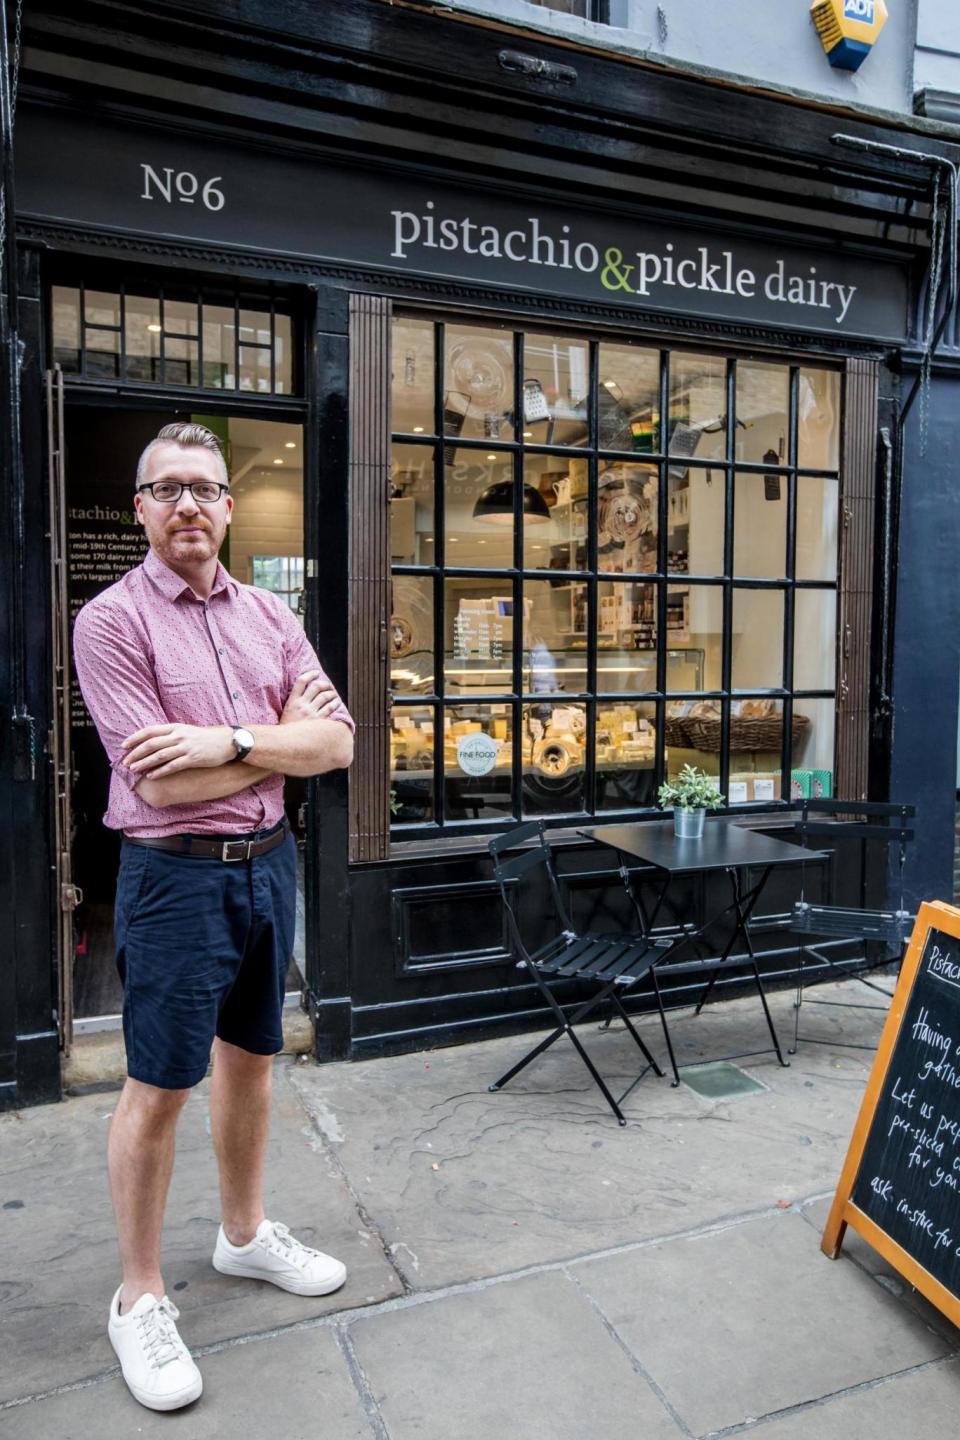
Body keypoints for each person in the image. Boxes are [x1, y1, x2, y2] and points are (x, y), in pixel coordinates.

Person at [72, 422, 355, 1413]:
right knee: (158, 1084)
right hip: (172, 878)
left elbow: (341, 743)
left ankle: (242, 1236)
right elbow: (156, 776)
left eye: (203, 487)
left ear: (230, 506)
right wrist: (282, 743)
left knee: (252, 1059)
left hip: (268, 869)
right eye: (166, 489)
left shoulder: (272, 615)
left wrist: (228, 738)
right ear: (142, 509)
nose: (187, 505)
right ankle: (139, 1295)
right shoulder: (109, 623)